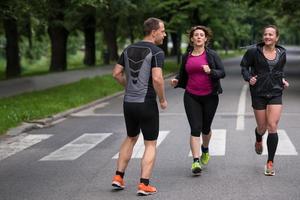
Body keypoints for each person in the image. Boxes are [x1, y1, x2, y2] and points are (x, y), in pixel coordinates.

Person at [111, 17, 167, 195]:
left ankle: (118, 177)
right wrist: (162, 99)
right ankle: (144, 184)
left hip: (129, 103)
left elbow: (116, 73)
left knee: (130, 137)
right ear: (153, 32)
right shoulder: (156, 52)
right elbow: (157, 79)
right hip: (146, 102)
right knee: (150, 143)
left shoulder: (128, 49)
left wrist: (129, 87)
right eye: (163, 31)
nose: (164, 35)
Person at [171, 26, 225, 175]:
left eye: (202, 35)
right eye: (196, 35)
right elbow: (183, 73)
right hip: (191, 96)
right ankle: (195, 161)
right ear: (192, 39)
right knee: (195, 128)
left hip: (210, 96)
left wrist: (211, 71)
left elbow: (222, 72)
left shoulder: (212, 55)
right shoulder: (186, 56)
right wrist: (177, 80)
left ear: (206, 39)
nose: (199, 37)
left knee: (205, 128)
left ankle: (205, 149)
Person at [240, 25, 289, 176]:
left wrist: (282, 80)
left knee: (272, 125)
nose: (267, 36)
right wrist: (249, 78)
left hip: (275, 92)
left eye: (271, 34)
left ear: (276, 37)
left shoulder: (282, 53)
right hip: (259, 92)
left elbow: (278, 70)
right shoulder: (254, 52)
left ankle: (270, 162)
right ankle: (258, 138)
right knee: (262, 127)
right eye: (265, 34)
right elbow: (244, 67)